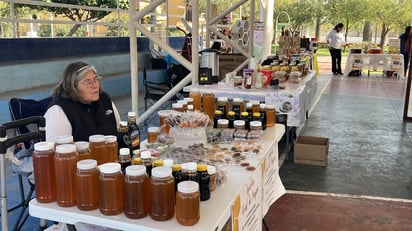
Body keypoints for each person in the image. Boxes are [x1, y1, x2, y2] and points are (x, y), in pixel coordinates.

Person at [44, 61, 120, 142]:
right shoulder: (59, 110)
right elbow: (57, 149)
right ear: (72, 86)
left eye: (95, 79)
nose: (94, 85)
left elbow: (120, 129)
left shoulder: (104, 99)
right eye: (87, 82)